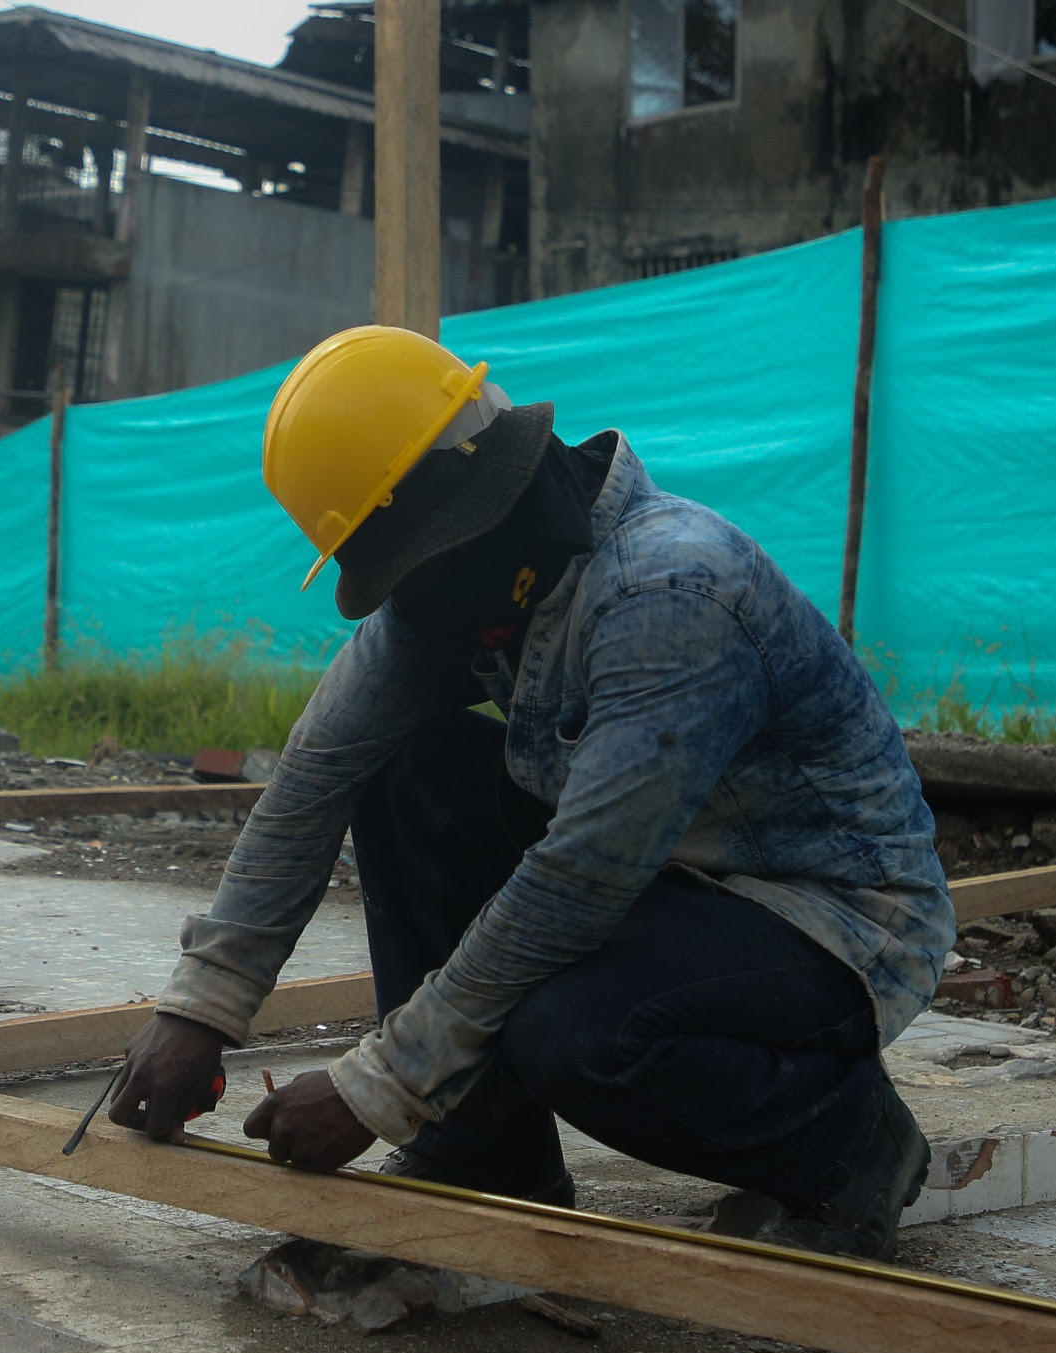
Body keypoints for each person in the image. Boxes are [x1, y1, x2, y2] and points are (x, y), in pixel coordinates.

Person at [103, 326, 954, 1259]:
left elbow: (579, 879)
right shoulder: (472, 577)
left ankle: (847, 1142)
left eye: (406, 566)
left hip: (826, 921)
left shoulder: (671, 588)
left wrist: (382, 1085)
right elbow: (316, 776)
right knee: (405, 764)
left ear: (469, 509)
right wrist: (202, 1006)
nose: (403, 598)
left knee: (576, 1035)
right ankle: (485, 1154)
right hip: (664, 888)